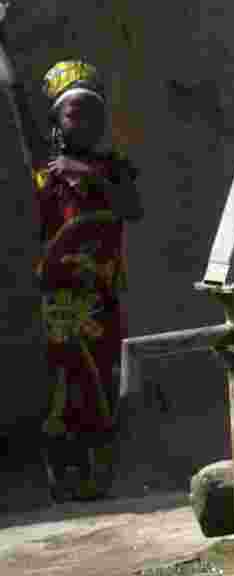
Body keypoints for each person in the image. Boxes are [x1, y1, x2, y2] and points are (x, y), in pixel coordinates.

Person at [1, 22, 143, 503]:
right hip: (60, 302)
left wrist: (84, 172)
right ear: (57, 123)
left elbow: (132, 207)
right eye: (74, 115)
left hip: (102, 300)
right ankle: (63, 476)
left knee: (104, 383)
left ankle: (99, 476)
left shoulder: (114, 170)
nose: (84, 124)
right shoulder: (44, 168)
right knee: (64, 388)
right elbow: (19, 108)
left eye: (92, 116)